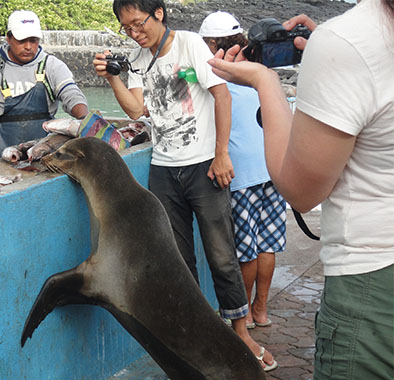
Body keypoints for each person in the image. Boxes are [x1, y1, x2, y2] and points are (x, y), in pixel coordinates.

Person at [207, 0, 394, 378]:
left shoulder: (349, 41)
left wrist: (265, 82)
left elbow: (301, 192)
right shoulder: (351, 40)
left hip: (373, 281)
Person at [93, 0, 277, 371]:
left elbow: (221, 95)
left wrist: (221, 154)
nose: (134, 32)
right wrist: (112, 76)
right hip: (163, 169)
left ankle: (240, 331)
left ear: (158, 13)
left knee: (222, 254)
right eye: (127, 27)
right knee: (178, 259)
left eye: (138, 23)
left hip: (203, 167)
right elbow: (134, 110)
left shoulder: (190, 44)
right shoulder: (136, 57)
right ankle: (199, 333)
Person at [200, 11, 287, 330]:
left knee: (246, 250)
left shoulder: (214, 76)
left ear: (211, 44)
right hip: (272, 169)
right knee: (267, 244)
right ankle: (261, 309)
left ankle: (245, 314)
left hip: (240, 175)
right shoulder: (258, 71)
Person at [0, 10, 89, 160]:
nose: (28, 46)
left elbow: (71, 94)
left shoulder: (52, 65)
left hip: (44, 154)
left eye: (33, 40)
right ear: (8, 38)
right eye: (21, 40)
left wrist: (85, 121)